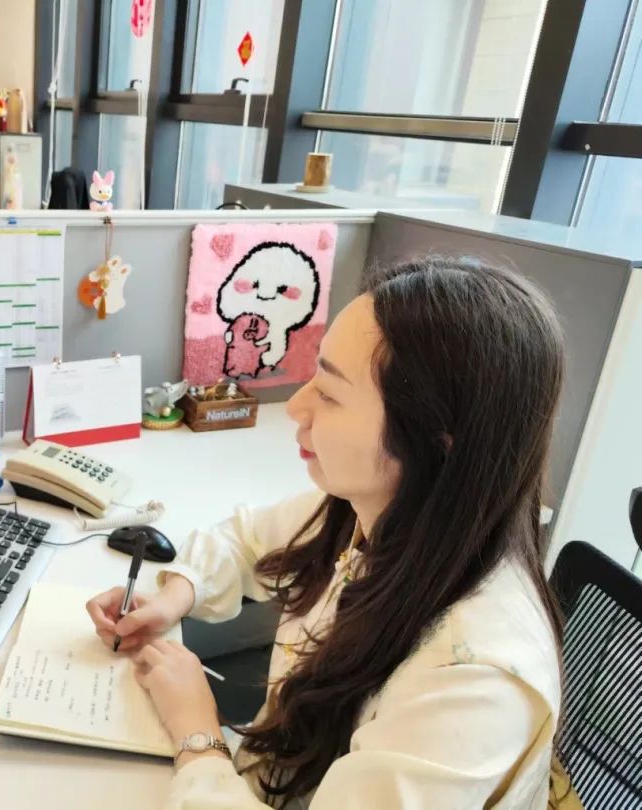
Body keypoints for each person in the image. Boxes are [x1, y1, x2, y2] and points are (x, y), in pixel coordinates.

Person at [88, 257, 567, 808]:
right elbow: (246, 536)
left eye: (331, 393)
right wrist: (175, 596)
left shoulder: (473, 684)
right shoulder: (372, 509)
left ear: (437, 441)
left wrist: (198, 734)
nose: (297, 406)